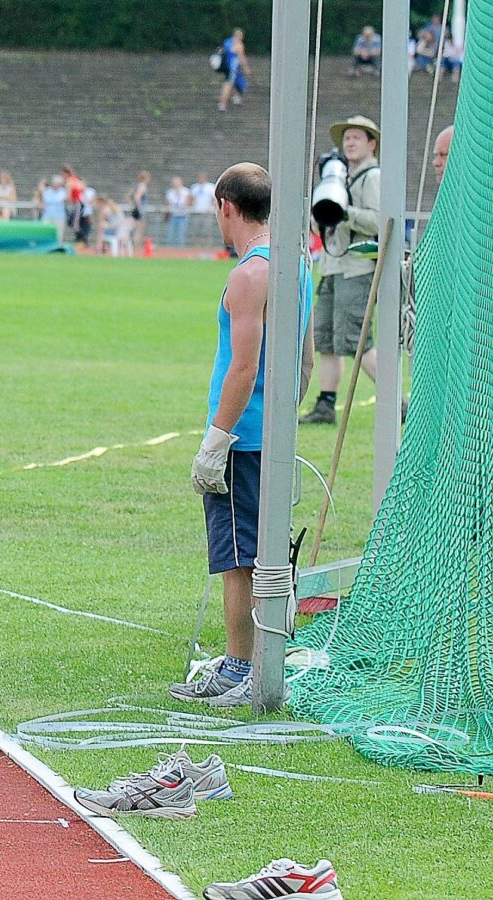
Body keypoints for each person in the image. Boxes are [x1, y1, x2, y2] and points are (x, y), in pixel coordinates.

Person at [171, 162, 272, 710]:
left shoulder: (250, 274)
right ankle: (251, 663)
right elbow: (301, 359)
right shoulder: (292, 265)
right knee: (256, 553)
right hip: (267, 430)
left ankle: (242, 668)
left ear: (225, 206)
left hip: (243, 438)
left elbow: (243, 366)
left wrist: (217, 439)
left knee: (238, 559)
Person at [301, 115, 382, 427]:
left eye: (356, 137)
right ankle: (326, 403)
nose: (349, 142)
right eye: (346, 137)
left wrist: (343, 213)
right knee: (326, 340)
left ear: (371, 143)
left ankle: (398, 401)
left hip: (357, 267)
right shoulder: (340, 177)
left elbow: (379, 221)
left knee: (355, 340)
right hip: (335, 266)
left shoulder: (372, 177)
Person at [163, 175, 189, 248]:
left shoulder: (185, 191)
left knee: (181, 234)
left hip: (182, 216)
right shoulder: (170, 192)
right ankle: (169, 249)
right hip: (172, 216)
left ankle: (180, 249)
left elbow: (186, 203)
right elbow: (168, 203)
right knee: (170, 234)